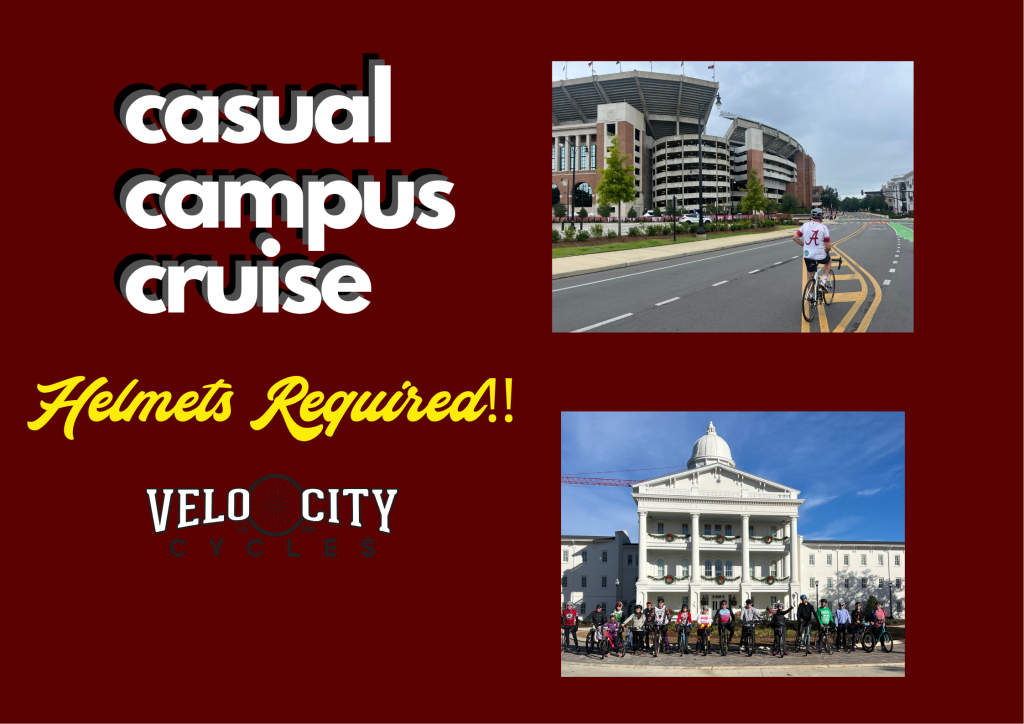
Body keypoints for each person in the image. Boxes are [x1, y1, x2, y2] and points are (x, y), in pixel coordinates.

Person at [794, 207, 832, 302]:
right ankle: (823, 281)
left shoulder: (804, 226)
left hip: (807, 255)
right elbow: (828, 247)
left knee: (810, 276)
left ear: (812, 216)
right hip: (819, 254)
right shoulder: (823, 228)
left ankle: (810, 297)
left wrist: (804, 245)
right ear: (821, 216)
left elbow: (795, 238)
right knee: (828, 261)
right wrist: (826, 252)